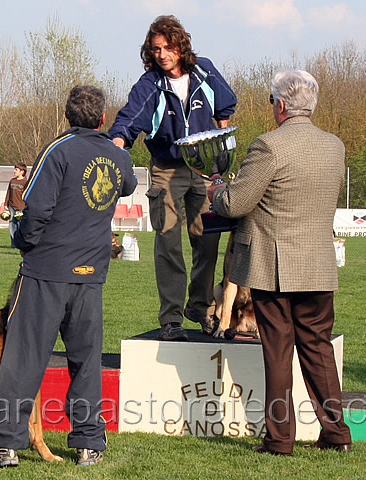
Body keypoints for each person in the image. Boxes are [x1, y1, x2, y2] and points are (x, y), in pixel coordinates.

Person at [0, 85, 137, 468]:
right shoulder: (116, 156)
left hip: (46, 272)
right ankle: (89, 445)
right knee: (86, 361)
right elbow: (129, 183)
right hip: (91, 274)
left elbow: (35, 211)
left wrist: (24, 241)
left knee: (25, 357)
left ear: (67, 116)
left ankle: (4, 446)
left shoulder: (58, 150)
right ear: (103, 118)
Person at [208, 70, 352, 456]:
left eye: (271, 102)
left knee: (278, 351)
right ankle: (336, 435)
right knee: (318, 349)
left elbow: (237, 203)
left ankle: (279, 439)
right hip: (318, 264)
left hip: (274, 267)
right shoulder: (334, 146)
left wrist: (217, 189)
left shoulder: (268, 146)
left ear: (281, 105)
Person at [109, 15, 237, 341]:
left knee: (207, 241)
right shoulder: (149, 84)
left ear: (181, 46)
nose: (162, 54)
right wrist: (116, 144)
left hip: (206, 168)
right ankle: (171, 319)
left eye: (168, 47)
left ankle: (200, 307)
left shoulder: (203, 69)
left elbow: (226, 104)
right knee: (169, 243)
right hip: (166, 169)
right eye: (156, 49)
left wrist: (221, 150)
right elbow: (130, 118)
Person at [3, 162, 27, 247]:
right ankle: (13, 243)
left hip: (21, 207)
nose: (14, 171)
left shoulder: (25, 182)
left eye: (16, 169)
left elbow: (28, 195)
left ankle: (20, 243)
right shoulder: (12, 181)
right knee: (12, 225)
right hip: (11, 207)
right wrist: (6, 204)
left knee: (20, 225)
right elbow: (8, 193)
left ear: (22, 171)